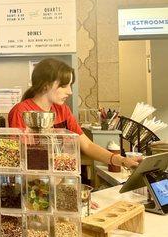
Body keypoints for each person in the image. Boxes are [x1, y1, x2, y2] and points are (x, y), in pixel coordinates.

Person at [8, 58, 139, 169]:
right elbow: (19, 155)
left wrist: (122, 161)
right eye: (64, 85)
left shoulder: (63, 110)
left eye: (70, 85)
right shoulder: (21, 112)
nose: (70, 92)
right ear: (46, 85)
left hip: (61, 177)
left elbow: (87, 145)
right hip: (34, 183)